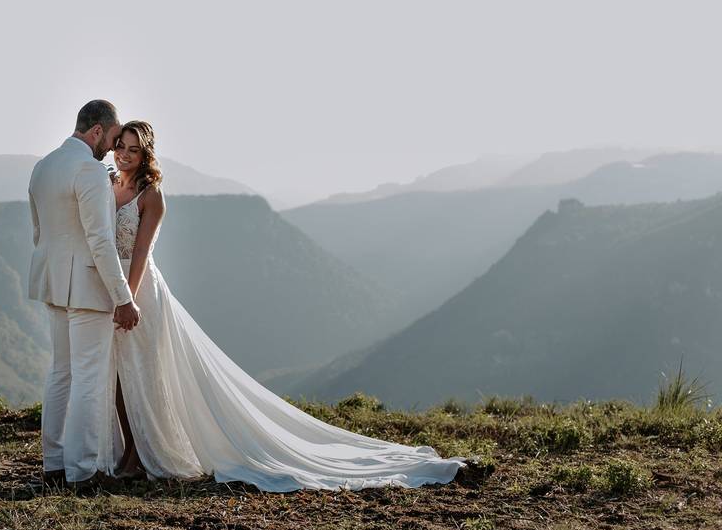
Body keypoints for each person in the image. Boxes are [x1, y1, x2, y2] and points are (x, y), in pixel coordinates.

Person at [106, 120, 468, 491]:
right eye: (121, 146)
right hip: (109, 289)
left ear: (145, 153)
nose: (124, 154)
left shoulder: (152, 196)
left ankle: (139, 455)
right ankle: (124, 452)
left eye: (133, 149)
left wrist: (128, 299)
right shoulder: (110, 184)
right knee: (119, 374)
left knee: (145, 374)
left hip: (139, 291)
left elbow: (141, 253)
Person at [27, 100, 141, 490]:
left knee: (61, 373)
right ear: (97, 131)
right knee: (89, 379)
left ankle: (54, 465)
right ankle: (83, 471)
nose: (112, 149)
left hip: (53, 281)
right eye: (111, 140)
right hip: (88, 286)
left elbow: (39, 231)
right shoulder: (90, 171)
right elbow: (100, 240)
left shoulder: (43, 166)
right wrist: (123, 296)